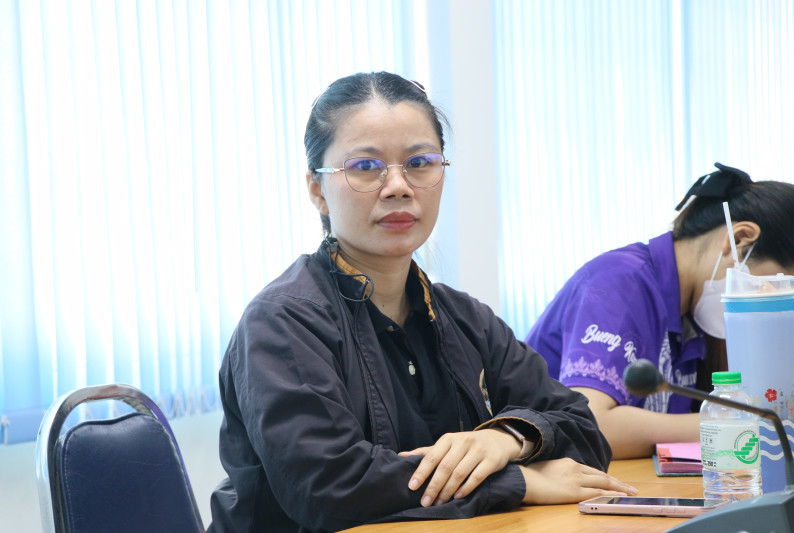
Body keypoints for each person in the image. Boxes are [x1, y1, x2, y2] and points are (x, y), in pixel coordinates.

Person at [207, 71, 636, 533]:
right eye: (365, 166)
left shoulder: (466, 318)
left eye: (419, 162)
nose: (398, 186)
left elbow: (583, 430)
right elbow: (330, 488)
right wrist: (517, 481)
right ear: (317, 189)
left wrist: (507, 438)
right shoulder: (282, 322)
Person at [525, 163, 794, 459]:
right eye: (777, 285)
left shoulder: (693, 314)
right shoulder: (618, 282)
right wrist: (745, 423)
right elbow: (589, 426)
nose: (775, 301)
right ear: (741, 240)